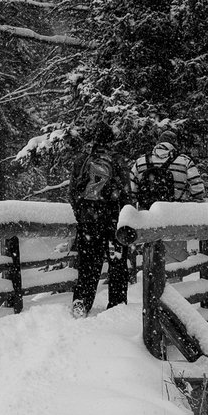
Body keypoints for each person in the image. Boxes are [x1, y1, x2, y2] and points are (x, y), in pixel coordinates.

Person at [68, 121, 132, 319]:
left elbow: (72, 192)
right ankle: (116, 305)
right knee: (118, 264)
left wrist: (81, 215)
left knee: (88, 264)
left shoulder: (82, 161)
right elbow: (127, 193)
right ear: (111, 139)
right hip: (113, 220)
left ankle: (81, 302)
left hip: (89, 221)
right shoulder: (117, 160)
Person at [129, 129, 205, 266]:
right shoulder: (184, 161)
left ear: (158, 143)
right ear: (174, 144)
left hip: (148, 217)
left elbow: (131, 191)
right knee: (175, 259)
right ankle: (174, 283)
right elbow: (198, 190)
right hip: (175, 216)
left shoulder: (140, 162)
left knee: (151, 256)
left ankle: (151, 284)